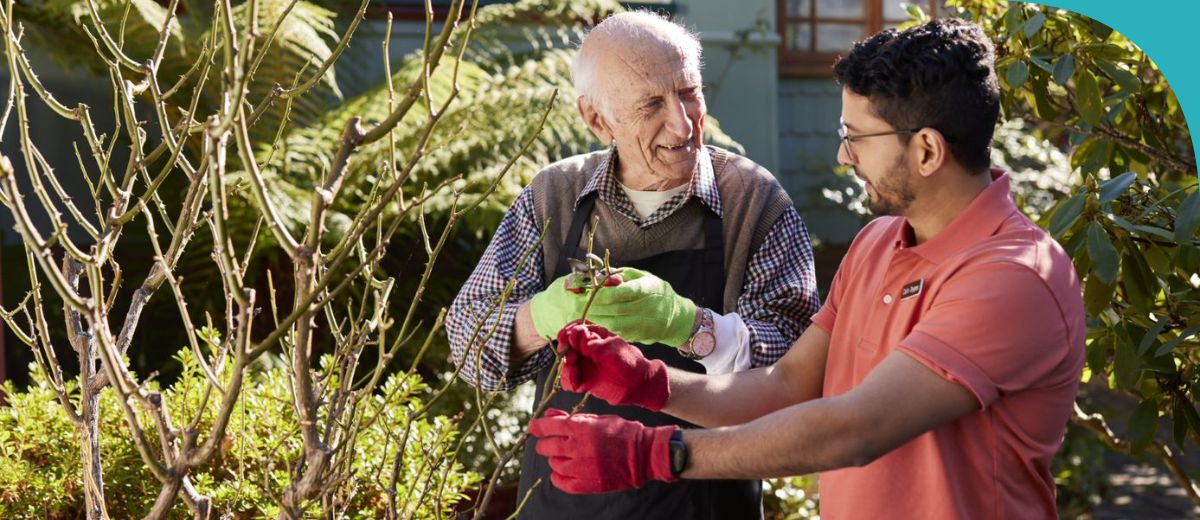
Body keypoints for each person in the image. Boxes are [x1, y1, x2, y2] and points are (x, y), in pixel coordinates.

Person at [529, 18, 1086, 519]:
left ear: (926, 151)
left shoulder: (1014, 276)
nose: (844, 157)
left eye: (856, 138)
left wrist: (657, 453)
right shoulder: (875, 244)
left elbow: (858, 428)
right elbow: (789, 386)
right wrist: (651, 382)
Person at [445, 10, 821, 519]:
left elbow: (799, 371)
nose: (683, 122)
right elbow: (469, 349)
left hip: (704, 502)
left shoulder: (753, 202)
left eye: (689, 92)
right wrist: (539, 317)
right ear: (597, 120)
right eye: (652, 104)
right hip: (565, 503)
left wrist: (692, 328)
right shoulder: (553, 197)